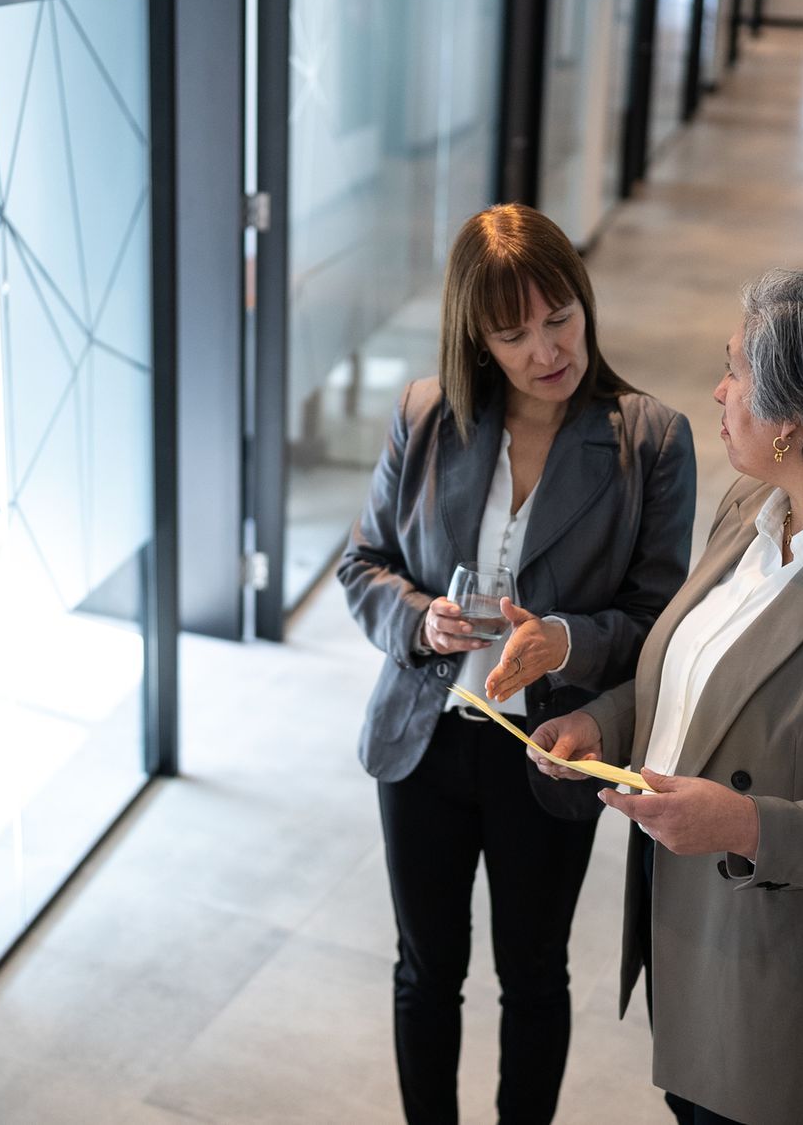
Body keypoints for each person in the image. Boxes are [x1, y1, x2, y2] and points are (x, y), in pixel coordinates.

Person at [529, 270, 803, 1125]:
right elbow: (696, 673)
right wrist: (605, 720)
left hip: (783, 977)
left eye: (736, 372)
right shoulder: (752, 501)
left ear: (797, 425)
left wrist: (741, 824)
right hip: (695, 936)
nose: (719, 390)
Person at [337, 203, 696, 1125]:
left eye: (561, 316)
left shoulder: (647, 440)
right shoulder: (426, 416)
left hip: (550, 746)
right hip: (424, 739)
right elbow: (361, 565)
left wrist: (567, 639)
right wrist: (423, 621)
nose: (548, 349)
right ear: (478, 341)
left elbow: (659, 623)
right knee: (425, 971)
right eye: (515, 333)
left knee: (533, 976)